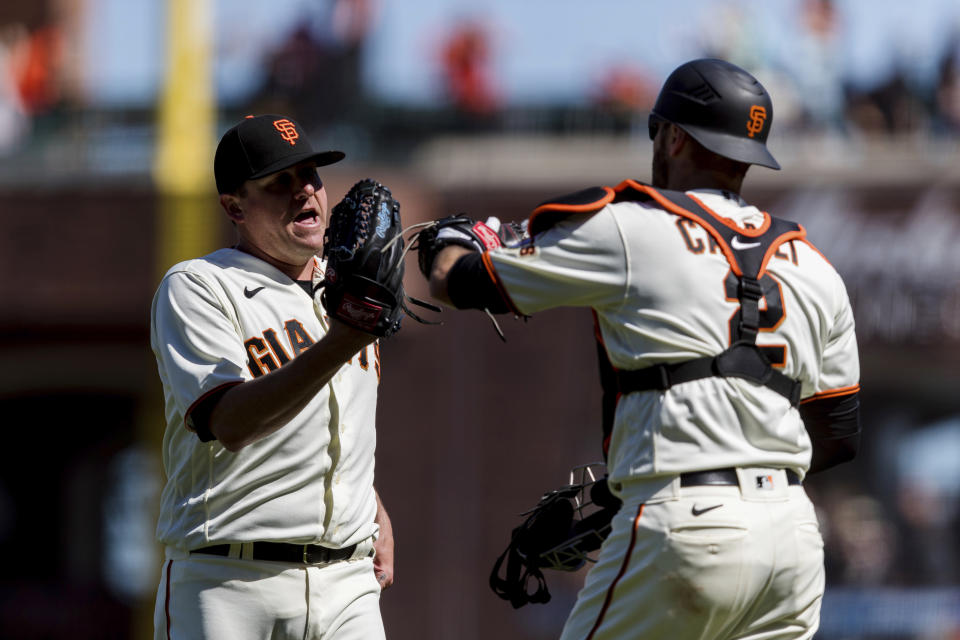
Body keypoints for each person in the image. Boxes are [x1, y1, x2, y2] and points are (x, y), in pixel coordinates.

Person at [422, 58, 861, 639]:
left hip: (686, 524)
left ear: (674, 135)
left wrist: (445, 245)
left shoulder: (630, 227)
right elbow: (835, 435)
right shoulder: (815, 266)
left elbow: (462, 284)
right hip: (793, 543)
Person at [150, 114, 394, 640]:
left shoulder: (348, 292)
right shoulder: (199, 286)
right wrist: (342, 340)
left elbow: (336, 428)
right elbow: (232, 422)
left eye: (311, 175)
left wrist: (371, 504)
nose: (304, 191)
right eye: (279, 181)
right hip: (230, 580)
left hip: (348, 583)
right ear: (234, 205)